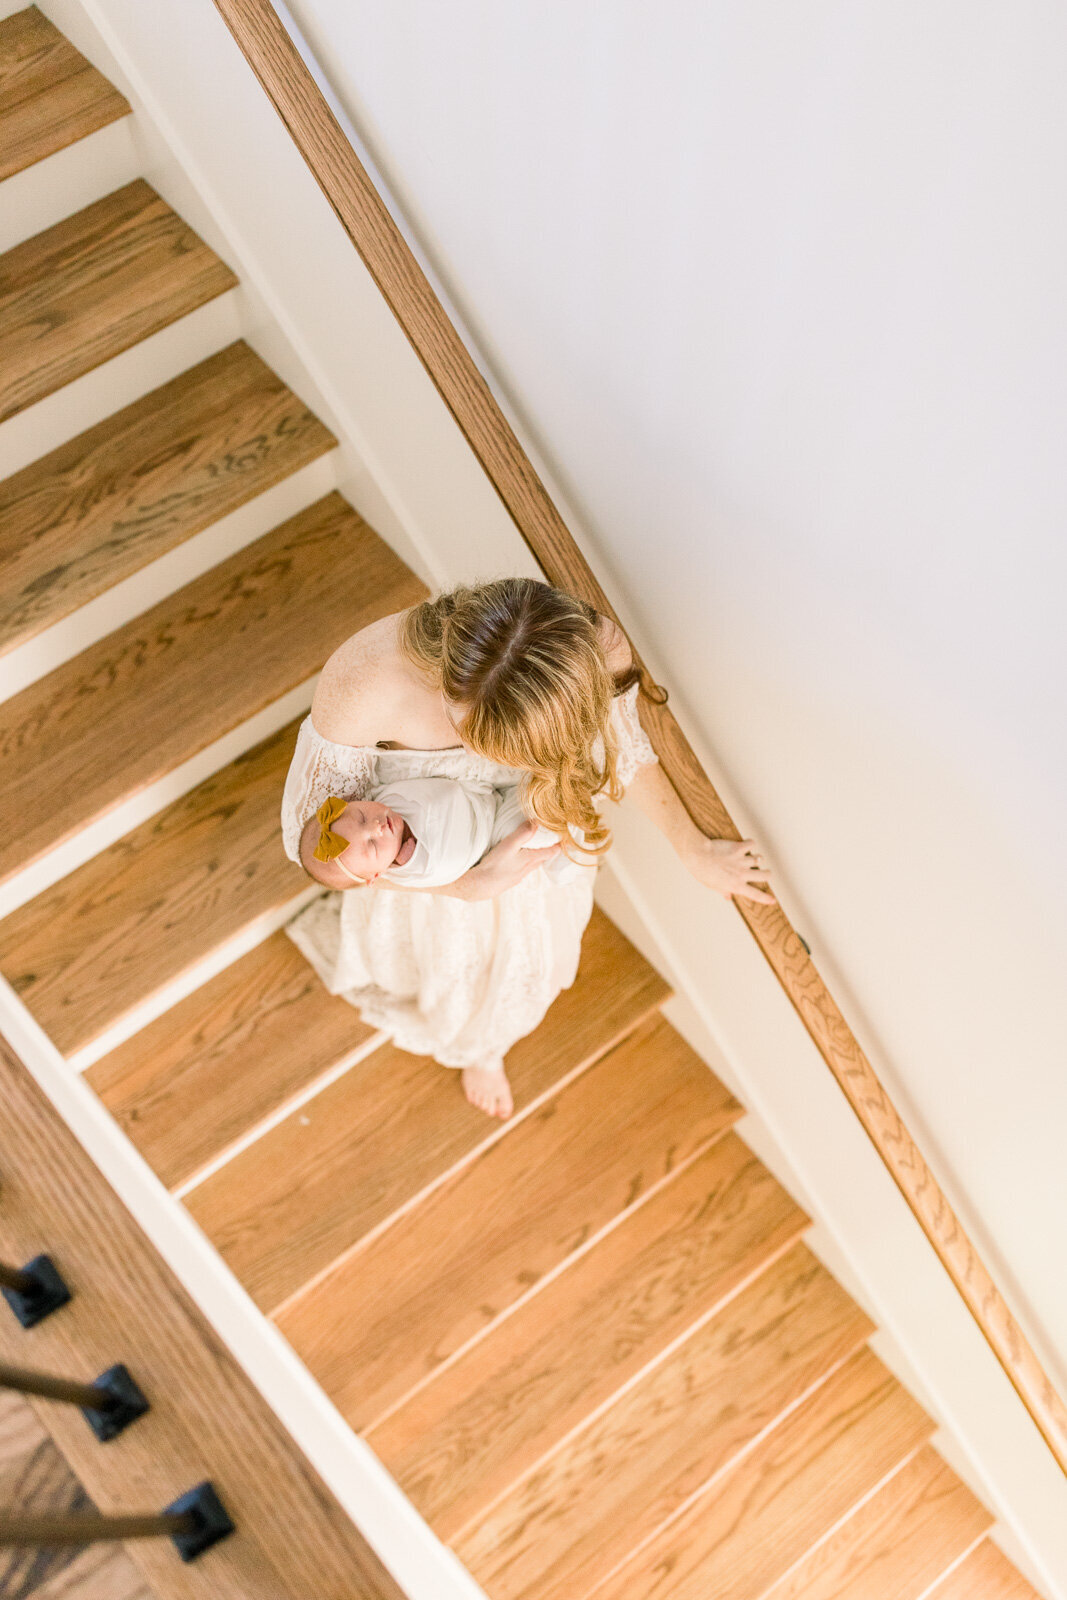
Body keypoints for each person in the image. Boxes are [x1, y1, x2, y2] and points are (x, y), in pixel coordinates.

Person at [280, 578, 771, 1118]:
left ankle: (491, 1046)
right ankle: (474, 1048)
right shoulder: (365, 682)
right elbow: (310, 834)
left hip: (527, 855)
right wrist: (464, 886)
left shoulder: (592, 648)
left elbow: (621, 742)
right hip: (432, 874)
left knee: (525, 966)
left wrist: (690, 845)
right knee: (451, 970)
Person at [298, 778, 587, 891]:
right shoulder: (409, 867)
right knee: (536, 825)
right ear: (377, 874)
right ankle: (571, 843)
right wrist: (412, 859)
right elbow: (442, 870)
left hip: (482, 793)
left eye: (361, 816)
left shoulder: (382, 794)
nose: (375, 826)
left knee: (533, 773)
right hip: (490, 832)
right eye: (373, 845)